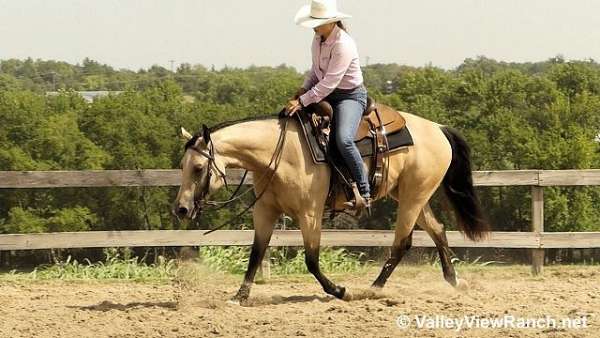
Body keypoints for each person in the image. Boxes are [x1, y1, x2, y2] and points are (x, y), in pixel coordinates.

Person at [286, 0, 371, 211]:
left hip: (349, 96)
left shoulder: (344, 44)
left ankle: (364, 190)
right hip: (326, 94)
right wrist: (302, 89)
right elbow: (315, 72)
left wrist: (303, 101)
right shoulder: (318, 39)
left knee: (343, 139)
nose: (314, 26)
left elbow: (329, 82)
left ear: (331, 22)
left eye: (318, 22)